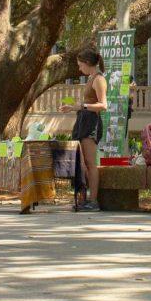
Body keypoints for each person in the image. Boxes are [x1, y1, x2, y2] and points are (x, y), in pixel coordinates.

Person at [59, 49, 108, 211]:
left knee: (90, 163)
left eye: (81, 65)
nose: (79, 69)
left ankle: (93, 201)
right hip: (82, 120)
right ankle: (83, 198)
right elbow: (86, 103)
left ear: (88, 63)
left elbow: (103, 105)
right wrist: (73, 107)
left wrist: (81, 106)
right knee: (82, 163)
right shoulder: (90, 78)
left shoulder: (99, 79)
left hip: (91, 123)